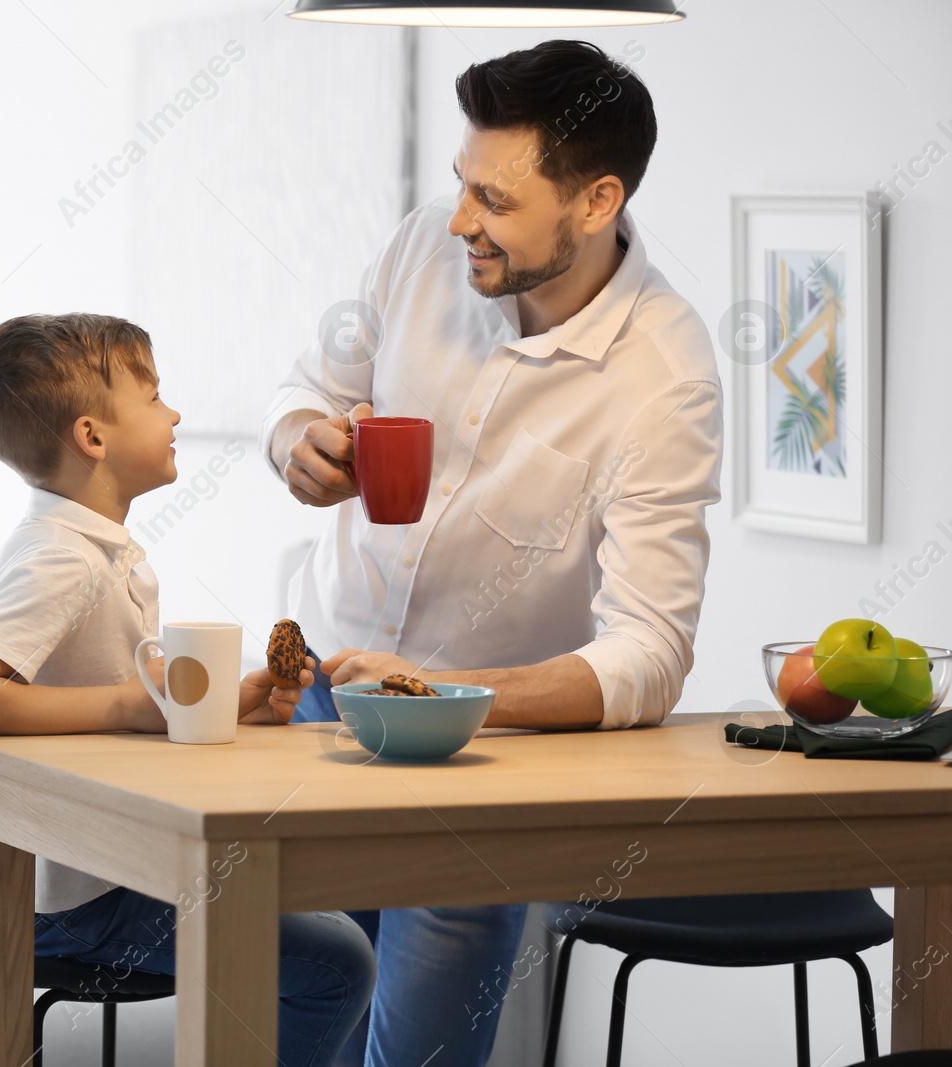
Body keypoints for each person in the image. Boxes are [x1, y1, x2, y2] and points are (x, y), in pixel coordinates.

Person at [261, 40, 724, 1067]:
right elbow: (308, 389)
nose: (463, 218)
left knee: (417, 1056)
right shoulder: (424, 245)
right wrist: (297, 441)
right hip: (309, 707)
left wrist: (438, 693)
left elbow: (647, 652)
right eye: (462, 185)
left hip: (472, 765)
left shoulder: (664, 374)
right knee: (288, 1025)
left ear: (596, 200)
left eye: (497, 200)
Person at [0, 312, 377, 1066]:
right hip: (80, 898)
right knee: (338, 961)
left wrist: (247, 704)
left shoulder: (98, 547)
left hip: (109, 866)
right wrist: (127, 707)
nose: (174, 414)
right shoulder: (60, 559)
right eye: (155, 396)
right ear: (93, 437)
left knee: (321, 928)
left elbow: (133, 719)